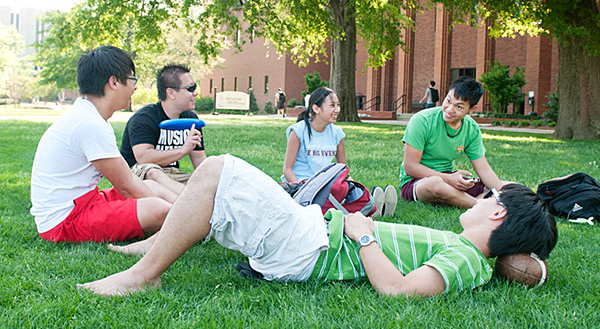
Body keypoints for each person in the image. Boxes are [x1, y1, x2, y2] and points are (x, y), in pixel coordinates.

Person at [78, 154, 557, 297]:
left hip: (309, 247)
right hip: (309, 234)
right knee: (218, 186)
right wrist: (529, 263)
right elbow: (522, 267)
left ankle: (146, 273)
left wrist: (364, 234)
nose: (482, 194)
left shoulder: (466, 257)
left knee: (217, 169)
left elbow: (401, 291)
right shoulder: (471, 256)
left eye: (490, 196)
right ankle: (150, 253)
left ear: (497, 214)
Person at [30, 46, 176, 243]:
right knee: (158, 208)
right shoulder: (90, 123)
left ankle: (197, 218)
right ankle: (191, 222)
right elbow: (127, 186)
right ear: (114, 82)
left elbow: (132, 185)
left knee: (150, 186)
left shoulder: (87, 115)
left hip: (84, 202)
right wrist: (167, 211)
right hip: (64, 221)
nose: (135, 87)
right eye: (133, 80)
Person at [400, 76, 507, 209]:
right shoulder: (422, 121)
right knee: (436, 184)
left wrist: (503, 192)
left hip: (450, 178)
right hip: (417, 182)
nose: (450, 109)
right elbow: (410, 167)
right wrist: (448, 179)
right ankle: (482, 206)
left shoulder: (471, 128)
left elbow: (484, 170)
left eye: (459, 107)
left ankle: (470, 199)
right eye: (448, 101)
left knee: (510, 187)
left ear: (472, 110)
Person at [120, 64, 206, 195]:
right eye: (190, 88)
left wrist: (211, 180)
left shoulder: (191, 120)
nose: (195, 93)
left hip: (173, 175)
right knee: (153, 172)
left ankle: (196, 199)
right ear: (171, 93)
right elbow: (143, 157)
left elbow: (200, 162)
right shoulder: (144, 118)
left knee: (211, 183)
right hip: (139, 175)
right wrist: (183, 150)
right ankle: (191, 200)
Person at [282, 87, 346, 182]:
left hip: (323, 185)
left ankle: (369, 196)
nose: (337, 110)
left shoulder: (337, 134)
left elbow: (343, 170)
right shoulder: (298, 131)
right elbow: (287, 170)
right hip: (299, 184)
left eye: (338, 105)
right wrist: (302, 190)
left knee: (355, 191)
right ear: (316, 109)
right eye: (332, 105)